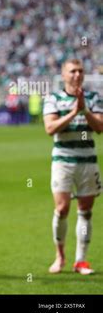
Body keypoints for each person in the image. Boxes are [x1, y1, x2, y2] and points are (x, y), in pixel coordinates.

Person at [43, 59, 102, 275]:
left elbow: (99, 127)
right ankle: (60, 256)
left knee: (85, 211)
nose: (77, 75)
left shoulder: (94, 98)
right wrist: (73, 112)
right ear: (63, 74)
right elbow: (50, 128)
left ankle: (81, 261)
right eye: (72, 71)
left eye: (80, 71)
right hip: (63, 161)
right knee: (62, 209)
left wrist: (84, 109)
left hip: (87, 161)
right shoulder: (53, 99)